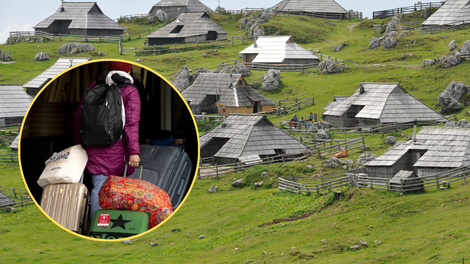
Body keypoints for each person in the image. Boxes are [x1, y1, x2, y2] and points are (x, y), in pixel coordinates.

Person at [74, 61, 141, 220]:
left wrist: (79, 143)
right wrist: (134, 151)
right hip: (119, 149)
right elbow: (131, 124)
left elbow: (79, 118)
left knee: (99, 188)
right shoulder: (129, 91)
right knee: (120, 191)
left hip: (93, 147)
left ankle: (98, 228)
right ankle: (114, 228)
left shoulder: (94, 87)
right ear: (129, 71)